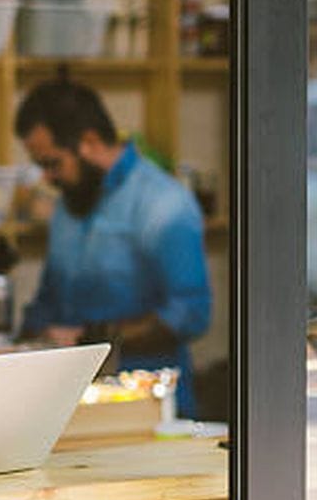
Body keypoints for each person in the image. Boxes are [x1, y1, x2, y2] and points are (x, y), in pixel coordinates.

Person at [14, 79, 211, 417]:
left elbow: (190, 313)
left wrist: (92, 340)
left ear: (88, 142)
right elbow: (50, 300)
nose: (46, 178)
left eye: (52, 163)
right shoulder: (69, 204)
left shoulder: (163, 203)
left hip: (151, 410)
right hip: (69, 406)